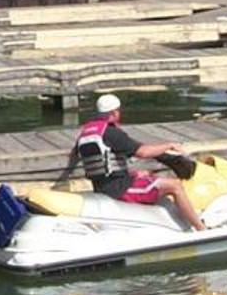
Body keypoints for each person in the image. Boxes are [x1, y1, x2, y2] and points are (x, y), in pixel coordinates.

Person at [68, 93, 207, 231]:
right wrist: (169, 146)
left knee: (144, 174)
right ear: (114, 112)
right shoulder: (112, 133)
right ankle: (201, 228)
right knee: (174, 186)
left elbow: (75, 156)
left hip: (103, 185)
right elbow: (143, 152)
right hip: (118, 189)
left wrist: (133, 173)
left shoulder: (86, 132)